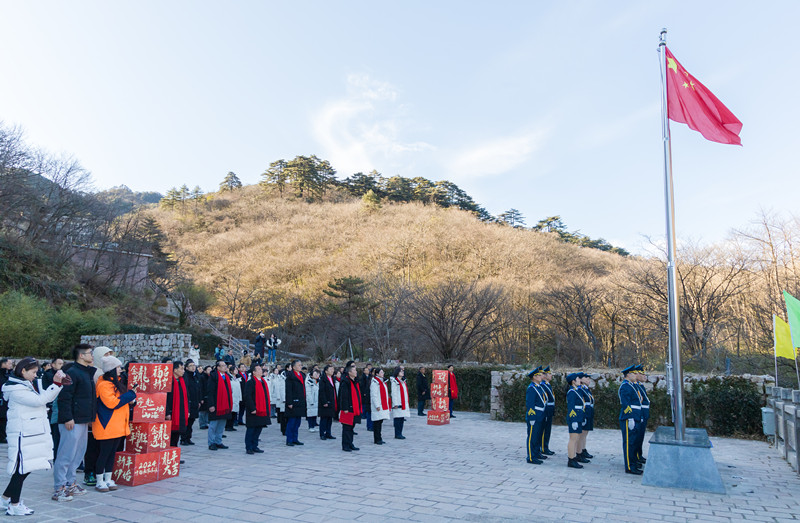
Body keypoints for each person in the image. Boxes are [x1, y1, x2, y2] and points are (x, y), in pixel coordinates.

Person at [2, 357, 67, 515]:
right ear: (23, 371)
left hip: (30, 433)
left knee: (26, 468)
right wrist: (57, 384)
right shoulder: (15, 389)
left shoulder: (26, 384)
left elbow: (42, 398)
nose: (35, 375)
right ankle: (14, 505)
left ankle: (5, 499)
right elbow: (40, 400)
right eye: (33, 372)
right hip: (22, 434)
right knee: (22, 469)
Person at [53, 344, 96, 502]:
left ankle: (70, 483)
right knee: (66, 454)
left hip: (83, 420)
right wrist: (67, 417)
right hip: (72, 421)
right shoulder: (72, 373)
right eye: (89, 353)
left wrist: (90, 418)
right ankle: (59, 487)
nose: (92, 355)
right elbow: (65, 397)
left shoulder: (87, 373)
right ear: (81, 356)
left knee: (78, 454)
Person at [92, 357, 137, 492]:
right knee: (104, 454)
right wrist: (130, 395)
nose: (120, 369)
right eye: (118, 367)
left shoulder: (117, 383)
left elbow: (121, 400)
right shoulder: (104, 385)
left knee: (112, 454)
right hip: (107, 425)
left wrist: (131, 399)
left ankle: (108, 478)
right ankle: (99, 480)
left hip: (117, 425)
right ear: (111, 369)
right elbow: (112, 403)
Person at [618, 365, 643, 475]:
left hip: (636, 416)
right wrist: (630, 417)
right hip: (629, 417)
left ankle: (633, 463)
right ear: (628, 374)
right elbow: (626, 404)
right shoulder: (625, 386)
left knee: (633, 442)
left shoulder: (631, 385)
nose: (635, 375)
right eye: (633, 373)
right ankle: (629, 466)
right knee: (629, 443)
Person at [243, 364, 271, 454]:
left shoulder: (263, 381)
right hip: (254, 410)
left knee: (258, 429)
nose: (261, 371)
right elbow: (247, 397)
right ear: (254, 372)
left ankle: (255, 446)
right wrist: (252, 408)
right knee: (251, 429)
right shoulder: (250, 382)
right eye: (258, 369)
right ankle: (249, 447)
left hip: (262, 409)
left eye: (261, 369)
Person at [206, 360, 233, 450]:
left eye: (225, 365)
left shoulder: (227, 376)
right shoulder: (213, 376)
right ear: (218, 367)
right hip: (216, 404)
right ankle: (211, 442)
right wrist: (211, 405)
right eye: (223, 365)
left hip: (225, 405)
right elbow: (210, 391)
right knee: (213, 425)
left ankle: (218, 441)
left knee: (221, 424)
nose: (225, 367)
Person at [43, 358, 65, 457]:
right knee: (56, 436)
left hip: (60, 409)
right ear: (53, 364)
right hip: (53, 408)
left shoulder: (65, 375)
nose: (61, 365)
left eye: (62, 363)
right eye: (59, 363)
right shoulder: (48, 376)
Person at [525, 367, 547, 465]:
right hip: (535, 415)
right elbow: (530, 404)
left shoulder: (539, 387)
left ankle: (536, 453)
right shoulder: (531, 388)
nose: (540, 376)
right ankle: (530, 456)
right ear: (534, 377)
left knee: (538, 435)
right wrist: (532, 417)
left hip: (541, 414)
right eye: (538, 375)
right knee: (532, 436)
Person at [338, 364, 362, 452]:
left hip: (355, 408)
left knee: (352, 427)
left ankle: (350, 443)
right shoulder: (345, 382)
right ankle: (345, 445)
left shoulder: (355, 381)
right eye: (354, 371)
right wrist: (345, 408)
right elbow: (343, 396)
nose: (356, 372)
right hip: (348, 408)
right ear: (349, 372)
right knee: (347, 427)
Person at [166, 361, 189, 449]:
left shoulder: (182, 381)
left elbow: (187, 396)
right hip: (172, 412)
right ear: (175, 370)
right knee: (170, 436)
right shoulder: (169, 381)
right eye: (181, 369)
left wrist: (188, 410)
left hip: (181, 412)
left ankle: (174, 455)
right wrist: (167, 412)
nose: (183, 371)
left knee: (177, 435)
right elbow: (165, 398)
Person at [283, 360, 306, 446]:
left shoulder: (302, 375)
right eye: (299, 365)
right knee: (291, 422)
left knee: (297, 422)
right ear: (294, 367)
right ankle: (289, 439)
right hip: (293, 401)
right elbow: (288, 391)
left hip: (300, 401)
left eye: (301, 365)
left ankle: (295, 438)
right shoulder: (290, 376)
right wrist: (289, 402)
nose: (300, 366)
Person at [566, 372, 586, 469]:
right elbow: (571, 407)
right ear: (573, 381)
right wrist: (573, 420)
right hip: (574, 418)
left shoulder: (577, 390)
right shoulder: (572, 392)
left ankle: (573, 457)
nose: (580, 380)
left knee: (576, 438)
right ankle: (571, 459)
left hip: (578, 417)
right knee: (573, 439)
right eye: (578, 379)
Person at [632, 365, 650, 467]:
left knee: (640, 437)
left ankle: (638, 455)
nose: (644, 376)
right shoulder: (635, 386)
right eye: (641, 374)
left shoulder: (640, 385)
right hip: (639, 414)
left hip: (643, 413)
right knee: (636, 437)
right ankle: (635, 457)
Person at [370, 368, 390, 445]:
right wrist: (377, 405)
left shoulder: (383, 382)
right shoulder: (375, 383)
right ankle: (377, 438)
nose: (383, 373)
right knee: (377, 422)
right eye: (381, 372)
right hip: (378, 405)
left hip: (383, 404)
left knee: (380, 422)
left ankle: (379, 437)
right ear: (377, 374)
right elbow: (374, 395)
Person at [182, 360, 200, 445]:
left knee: (191, 422)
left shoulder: (195, 376)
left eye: (194, 365)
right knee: (187, 422)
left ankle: (188, 438)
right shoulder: (185, 376)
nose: (193, 367)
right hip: (188, 401)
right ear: (186, 367)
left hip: (195, 402)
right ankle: (183, 438)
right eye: (190, 365)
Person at [577, 372, 595, 462]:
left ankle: (583, 449)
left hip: (589, 411)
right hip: (585, 412)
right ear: (580, 379)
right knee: (581, 434)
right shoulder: (580, 389)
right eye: (586, 378)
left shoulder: (586, 389)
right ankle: (579, 452)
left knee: (585, 433)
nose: (588, 380)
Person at [318, 365, 337, 440]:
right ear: (326, 371)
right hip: (325, 402)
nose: (332, 370)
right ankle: (322, 433)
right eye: (330, 369)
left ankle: (328, 433)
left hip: (332, 401)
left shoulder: (332, 378)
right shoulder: (323, 379)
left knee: (329, 418)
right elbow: (322, 391)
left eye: (333, 369)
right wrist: (324, 401)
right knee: (324, 418)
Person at [390, 367, 409, 440]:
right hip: (398, 403)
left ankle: (400, 433)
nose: (403, 372)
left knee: (402, 418)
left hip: (403, 402)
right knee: (397, 419)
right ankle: (397, 434)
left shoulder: (403, 381)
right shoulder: (395, 381)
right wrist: (395, 403)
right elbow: (394, 393)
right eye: (401, 371)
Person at [540, 366, 555, 456]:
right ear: (544, 376)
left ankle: (546, 447)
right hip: (546, 409)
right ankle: (543, 447)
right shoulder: (543, 385)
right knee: (544, 429)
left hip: (550, 409)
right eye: (549, 373)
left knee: (548, 429)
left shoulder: (547, 385)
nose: (551, 375)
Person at [0, 359, 15, 444]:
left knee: (4, 418)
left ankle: (3, 436)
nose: (11, 365)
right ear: (3, 364)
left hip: (6, 399)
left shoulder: (10, 373)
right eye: (9, 363)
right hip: (2, 398)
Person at [359, 364, 373, 431]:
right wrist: (364, 392)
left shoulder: (370, 377)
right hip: (365, 394)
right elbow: (362, 386)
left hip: (369, 395)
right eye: (366, 370)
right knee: (365, 407)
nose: (367, 371)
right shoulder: (362, 378)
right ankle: (363, 415)